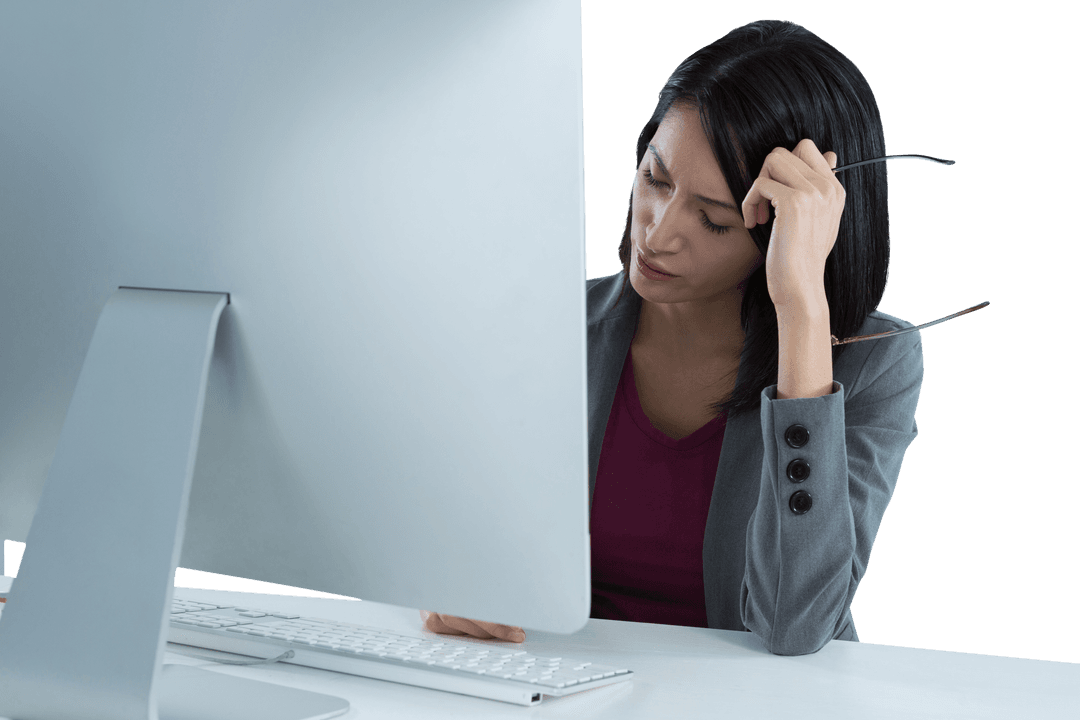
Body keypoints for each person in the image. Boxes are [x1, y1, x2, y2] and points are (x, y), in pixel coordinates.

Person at [422, 18, 923, 656]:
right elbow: (457, 541)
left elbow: (795, 623)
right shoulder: (545, 327)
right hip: (558, 684)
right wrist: (452, 587)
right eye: (656, 180)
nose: (657, 235)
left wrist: (801, 305)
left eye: (714, 220)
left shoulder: (876, 364)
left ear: (785, 231)